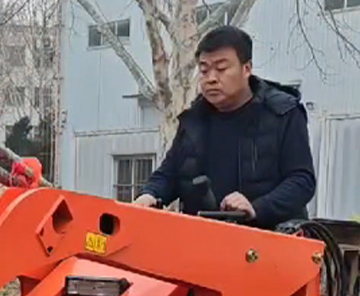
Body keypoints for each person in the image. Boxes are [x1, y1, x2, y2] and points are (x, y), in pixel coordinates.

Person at [134, 25, 316, 229]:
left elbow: (302, 181)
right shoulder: (194, 119)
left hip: (269, 238)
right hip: (204, 240)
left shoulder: (282, 113)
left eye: (221, 69)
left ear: (246, 69)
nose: (211, 78)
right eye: (204, 70)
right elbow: (170, 173)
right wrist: (149, 194)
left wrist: (257, 208)